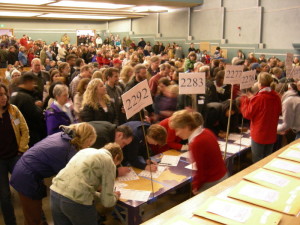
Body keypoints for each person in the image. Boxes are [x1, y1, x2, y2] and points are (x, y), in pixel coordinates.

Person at [10, 123, 96, 225]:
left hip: (24, 169)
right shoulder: (68, 149)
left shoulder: (63, 135)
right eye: (89, 143)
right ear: (85, 139)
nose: (88, 147)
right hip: (27, 177)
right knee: (32, 220)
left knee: (33, 215)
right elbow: (74, 177)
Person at [50, 143, 122, 225]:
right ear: (116, 157)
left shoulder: (86, 150)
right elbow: (107, 202)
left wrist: (98, 192)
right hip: (76, 201)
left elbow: (79, 182)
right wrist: (115, 196)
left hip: (55, 192)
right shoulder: (108, 160)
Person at [169, 110, 227, 194]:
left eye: (177, 130)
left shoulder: (196, 142)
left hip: (212, 181)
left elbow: (200, 170)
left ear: (187, 127)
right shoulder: (207, 131)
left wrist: (196, 186)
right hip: (222, 175)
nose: (177, 134)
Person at [0, 83, 29, 225]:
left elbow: (24, 130)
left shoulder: (13, 111)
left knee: (26, 187)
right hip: (0, 161)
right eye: (0, 95)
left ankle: (36, 218)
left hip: (15, 155)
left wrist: (21, 149)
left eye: (4, 94)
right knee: (4, 196)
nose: (3, 97)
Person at [240, 72, 281, 163]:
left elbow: (247, 114)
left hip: (259, 134)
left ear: (259, 83)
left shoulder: (258, 98)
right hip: (271, 133)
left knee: (257, 162)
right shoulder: (276, 96)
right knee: (267, 160)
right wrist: (252, 99)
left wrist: (245, 100)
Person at [10, 74, 46, 147]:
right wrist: (38, 107)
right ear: (27, 82)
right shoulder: (25, 98)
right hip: (30, 135)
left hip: (19, 135)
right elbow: (37, 115)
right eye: (32, 83)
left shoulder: (13, 95)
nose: (34, 85)